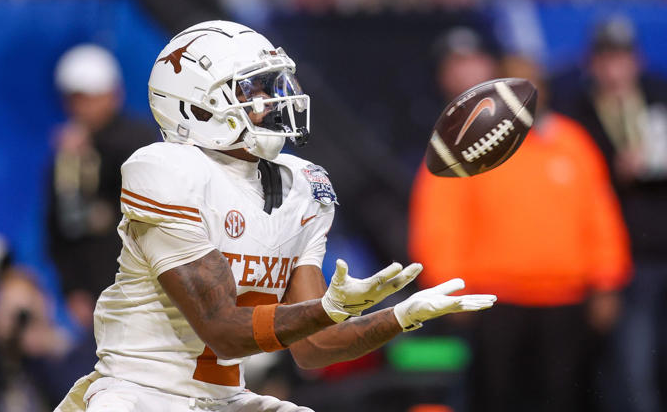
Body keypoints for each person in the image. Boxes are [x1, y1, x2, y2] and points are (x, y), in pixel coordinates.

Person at [55, 20, 497, 412]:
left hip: (226, 397)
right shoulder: (165, 171)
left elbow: (315, 346)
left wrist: (399, 316)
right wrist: (327, 309)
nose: (273, 101)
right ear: (195, 105)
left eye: (274, 86)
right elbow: (222, 329)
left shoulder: (303, 184)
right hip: (141, 394)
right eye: (253, 90)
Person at [409, 55, 631, 412]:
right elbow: (440, 220)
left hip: (566, 302)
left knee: (564, 400)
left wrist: (607, 282)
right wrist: (449, 286)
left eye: (533, 85)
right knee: (496, 400)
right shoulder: (467, 144)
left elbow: (600, 217)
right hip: (495, 302)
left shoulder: (572, 143)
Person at [554, 15, 667, 412]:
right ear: (592, 64)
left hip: (661, 248)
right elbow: (571, 185)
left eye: (621, 58)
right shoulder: (575, 115)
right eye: (605, 59)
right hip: (619, 261)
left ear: (635, 61)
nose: (614, 69)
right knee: (630, 369)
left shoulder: (660, 97)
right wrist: (612, 169)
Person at [47, 44, 158, 330]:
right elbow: (59, 225)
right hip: (96, 286)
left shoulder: (138, 139)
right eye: (75, 99)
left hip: (146, 281)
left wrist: (90, 152)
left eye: (89, 98)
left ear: (113, 95)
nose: (81, 107)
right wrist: (72, 288)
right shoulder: (68, 153)